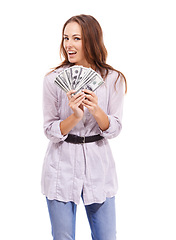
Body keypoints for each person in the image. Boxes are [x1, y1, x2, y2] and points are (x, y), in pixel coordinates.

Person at [41, 14, 127, 240]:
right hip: (61, 164)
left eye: (76, 38)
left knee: (106, 236)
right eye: (66, 38)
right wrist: (75, 116)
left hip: (99, 163)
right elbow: (49, 129)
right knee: (62, 237)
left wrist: (97, 110)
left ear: (91, 39)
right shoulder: (53, 80)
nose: (68, 44)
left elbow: (115, 128)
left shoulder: (113, 79)